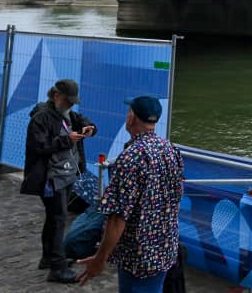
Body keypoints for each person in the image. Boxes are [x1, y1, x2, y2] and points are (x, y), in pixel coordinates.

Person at [77, 95, 183, 291]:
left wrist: (100, 258)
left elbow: (117, 218)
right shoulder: (170, 149)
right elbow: (176, 196)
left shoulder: (130, 158)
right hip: (165, 248)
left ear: (132, 117)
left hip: (137, 256)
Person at [21, 79, 97, 284]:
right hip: (50, 177)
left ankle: (49, 257)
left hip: (65, 173)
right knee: (58, 218)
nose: (71, 105)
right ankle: (57, 267)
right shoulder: (41, 117)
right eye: (68, 101)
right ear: (56, 96)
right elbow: (39, 146)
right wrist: (67, 140)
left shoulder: (67, 113)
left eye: (73, 102)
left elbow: (82, 119)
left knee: (54, 217)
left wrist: (90, 127)